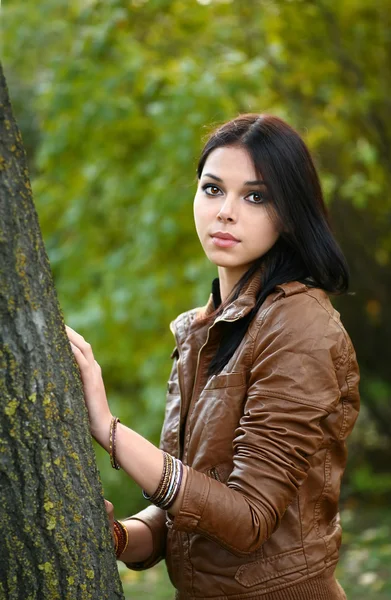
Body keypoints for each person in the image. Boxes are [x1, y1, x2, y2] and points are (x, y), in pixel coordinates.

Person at [67, 114, 360, 600]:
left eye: (255, 196)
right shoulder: (204, 329)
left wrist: (108, 429)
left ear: (289, 213)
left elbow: (247, 519)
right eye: (212, 189)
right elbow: (193, 506)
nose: (226, 211)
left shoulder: (300, 326)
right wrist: (117, 538)